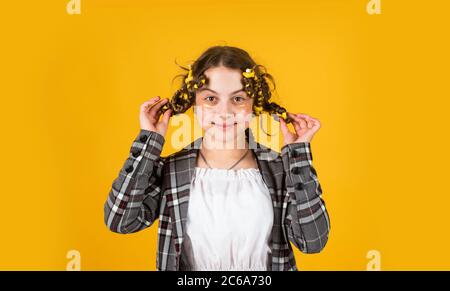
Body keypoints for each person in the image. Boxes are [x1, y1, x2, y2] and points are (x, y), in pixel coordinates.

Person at [104, 45, 331, 271]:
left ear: (254, 104)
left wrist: (298, 157)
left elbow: (312, 242)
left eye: (238, 98)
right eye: (211, 98)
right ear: (194, 102)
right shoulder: (171, 170)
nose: (225, 112)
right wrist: (149, 142)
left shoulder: (281, 169)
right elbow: (121, 221)